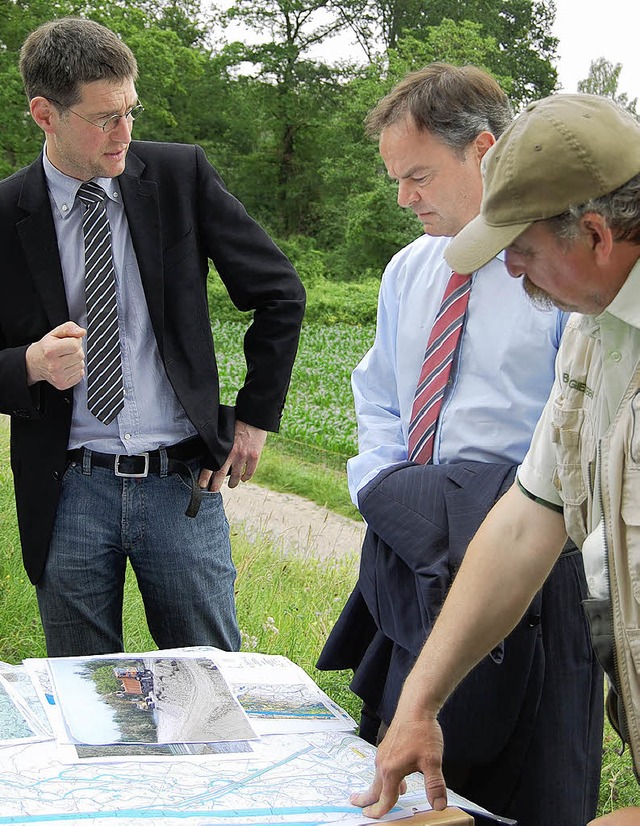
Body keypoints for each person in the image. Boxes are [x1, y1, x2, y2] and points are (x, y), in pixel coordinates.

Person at [316, 65, 604, 826]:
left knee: (530, 775)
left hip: (528, 553)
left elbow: (572, 446)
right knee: (414, 756)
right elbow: (378, 392)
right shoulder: (408, 270)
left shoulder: (563, 275)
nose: (405, 198)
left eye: (418, 176)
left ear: (483, 151)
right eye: (396, 180)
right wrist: (384, 486)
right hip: (414, 545)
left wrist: (489, 509)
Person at [0, 17, 305, 657]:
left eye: (130, 111)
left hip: (182, 483)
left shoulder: (179, 176)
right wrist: (27, 363)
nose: (124, 132)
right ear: (43, 114)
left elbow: (280, 292)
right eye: (104, 117)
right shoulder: (6, 213)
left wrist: (252, 420)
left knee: (212, 691)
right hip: (68, 492)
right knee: (89, 700)